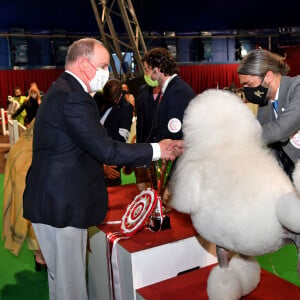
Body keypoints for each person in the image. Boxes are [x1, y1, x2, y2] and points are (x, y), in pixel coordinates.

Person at [22, 37, 184, 300]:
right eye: (105, 65)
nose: (108, 72)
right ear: (85, 64)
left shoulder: (61, 90)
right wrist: (158, 149)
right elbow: (107, 150)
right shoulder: (73, 96)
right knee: (71, 288)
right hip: (63, 205)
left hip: (52, 201)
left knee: (60, 282)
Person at [135, 47, 196, 192]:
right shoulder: (169, 90)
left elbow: (172, 137)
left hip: (176, 168)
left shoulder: (178, 92)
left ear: (159, 68)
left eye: (147, 69)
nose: (146, 74)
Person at [238, 48, 300, 179]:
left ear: (268, 77)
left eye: (248, 84)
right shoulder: (264, 103)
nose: (246, 90)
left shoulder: (297, 88)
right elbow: (268, 147)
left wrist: (239, 138)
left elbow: (280, 130)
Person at [2, 119, 46, 270]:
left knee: (34, 224)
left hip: (31, 191)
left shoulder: (24, 144)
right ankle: (41, 258)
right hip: (37, 190)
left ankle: (39, 257)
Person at [94, 78, 133, 186]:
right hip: (93, 154)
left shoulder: (126, 108)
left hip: (110, 159)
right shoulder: (100, 98)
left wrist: (101, 130)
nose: (107, 101)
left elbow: (121, 139)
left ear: (118, 97)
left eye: (111, 100)